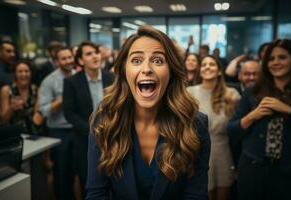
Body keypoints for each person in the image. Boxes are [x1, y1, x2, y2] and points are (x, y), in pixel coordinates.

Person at [86, 25, 211, 200]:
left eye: (158, 61)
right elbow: (96, 193)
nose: (147, 69)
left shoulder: (195, 124)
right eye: (136, 60)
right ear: (123, 70)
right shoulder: (104, 121)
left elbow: (195, 195)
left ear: (171, 71)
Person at [227, 39, 291, 200]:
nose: (276, 62)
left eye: (282, 57)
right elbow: (231, 130)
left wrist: (288, 110)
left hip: (289, 172)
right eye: (271, 59)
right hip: (253, 168)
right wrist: (253, 115)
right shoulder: (253, 90)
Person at [63, 41, 114, 196]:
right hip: (84, 139)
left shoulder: (111, 77)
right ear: (80, 60)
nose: (95, 56)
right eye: (89, 54)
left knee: (113, 178)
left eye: (96, 52)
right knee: (90, 180)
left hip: (113, 137)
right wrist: (93, 131)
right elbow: (70, 114)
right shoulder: (71, 82)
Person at [187, 55, 240, 200]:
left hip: (223, 152)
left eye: (212, 64)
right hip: (197, 153)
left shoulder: (232, 94)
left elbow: (237, 128)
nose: (207, 67)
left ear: (219, 71)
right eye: (204, 65)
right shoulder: (189, 93)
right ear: (200, 70)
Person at [38, 47, 76, 200]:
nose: (68, 61)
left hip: (77, 130)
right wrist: (61, 101)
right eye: (64, 58)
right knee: (61, 173)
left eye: (70, 57)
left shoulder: (78, 76)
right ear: (56, 62)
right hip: (59, 132)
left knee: (75, 171)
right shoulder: (49, 81)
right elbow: (43, 110)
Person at [0, 60, 42, 134]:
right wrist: (11, 108)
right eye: (20, 71)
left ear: (31, 73)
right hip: (13, 134)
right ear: (15, 74)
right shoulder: (6, 90)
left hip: (33, 133)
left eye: (26, 71)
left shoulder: (36, 89)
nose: (24, 74)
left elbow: (37, 116)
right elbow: (3, 120)